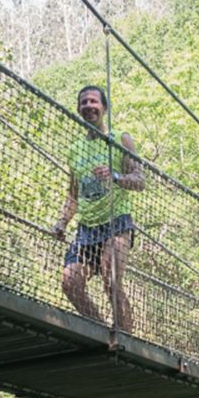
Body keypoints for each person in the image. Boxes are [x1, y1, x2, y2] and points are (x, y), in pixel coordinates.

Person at [50, 86, 144, 332]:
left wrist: (114, 176)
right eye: (83, 102)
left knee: (111, 279)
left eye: (93, 101)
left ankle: (125, 338)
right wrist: (62, 222)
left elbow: (140, 180)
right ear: (78, 109)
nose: (88, 106)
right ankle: (101, 331)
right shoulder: (75, 150)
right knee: (70, 282)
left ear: (104, 107)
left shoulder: (120, 139)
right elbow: (73, 193)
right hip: (87, 229)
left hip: (117, 222)